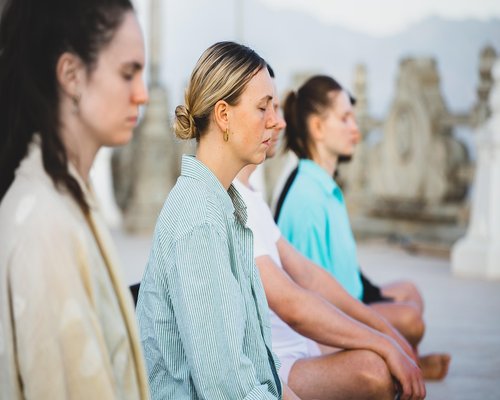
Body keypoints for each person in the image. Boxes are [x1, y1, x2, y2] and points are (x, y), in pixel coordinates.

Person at [235, 66, 425, 400]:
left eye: (277, 109)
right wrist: (382, 341)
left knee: (398, 325)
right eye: (264, 108)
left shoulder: (251, 197)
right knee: (377, 366)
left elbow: (312, 277)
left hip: (295, 343)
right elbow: (297, 303)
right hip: (274, 360)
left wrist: (385, 337)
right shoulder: (277, 198)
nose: (278, 122)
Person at [0, 0, 150, 398]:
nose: (143, 95)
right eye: (128, 73)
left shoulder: (68, 199)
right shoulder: (45, 224)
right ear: (71, 74)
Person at [136, 41, 298, 400]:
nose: (275, 121)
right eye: (262, 107)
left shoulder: (222, 207)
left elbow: (257, 367)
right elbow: (228, 389)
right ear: (223, 116)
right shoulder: (200, 221)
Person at [275, 75, 450, 379]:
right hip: (335, 313)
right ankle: (406, 365)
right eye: (345, 119)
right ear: (317, 128)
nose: (356, 129)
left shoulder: (324, 184)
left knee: (411, 290)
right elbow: (312, 295)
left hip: (354, 296)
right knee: (411, 319)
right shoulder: (306, 197)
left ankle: (409, 361)